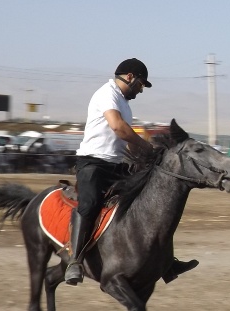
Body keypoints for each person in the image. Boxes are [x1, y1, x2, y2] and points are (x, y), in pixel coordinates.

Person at [67, 58, 197, 286]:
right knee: (89, 204)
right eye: (140, 84)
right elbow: (118, 128)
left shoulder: (124, 104)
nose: (141, 90)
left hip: (116, 166)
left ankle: (167, 263)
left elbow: (128, 141)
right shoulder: (106, 94)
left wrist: (145, 159)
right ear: (129, 77)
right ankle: (74, 261)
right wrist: (145, 145)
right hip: (92, 164)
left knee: (152, 204)